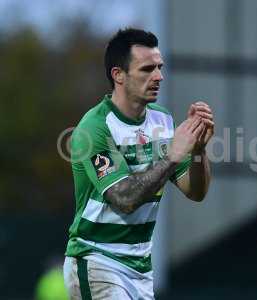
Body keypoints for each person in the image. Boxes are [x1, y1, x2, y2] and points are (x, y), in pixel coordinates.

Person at [63, 28, 214, 299]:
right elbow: (124, 197)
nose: (159, 76)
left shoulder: (162, 120)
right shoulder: (94, 128)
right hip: (97, 260)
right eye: (147, 69)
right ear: (118, 75)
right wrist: (173, 156)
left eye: (159, 67)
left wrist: (199, 151)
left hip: (141, 267)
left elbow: (196, 192)